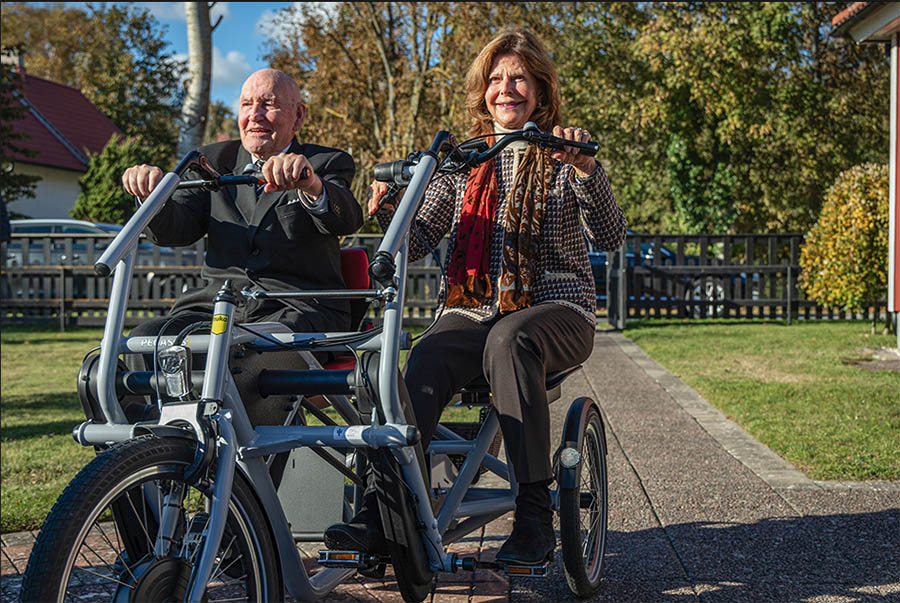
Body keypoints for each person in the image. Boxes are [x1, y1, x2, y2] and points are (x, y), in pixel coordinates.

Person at [325, 29, 626, 566]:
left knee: (510, 341)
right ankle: (382, 511)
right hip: (471, 308)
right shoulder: (463, 163)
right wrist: (392, 206)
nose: (505, 88)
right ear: (482, 92)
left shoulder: (563, 153)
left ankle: (534, 515)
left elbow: (610, 235)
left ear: (540, 90)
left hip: (557, 308)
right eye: (494, 80)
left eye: (518, 78)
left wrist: (586, 169)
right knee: (425, 357)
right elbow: (416, 238)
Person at [118, 68, 363, 421]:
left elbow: (346, 217)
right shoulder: (210, 162)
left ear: (299, 116)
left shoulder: (325, 163)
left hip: (293, 309)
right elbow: (179, 228)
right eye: (247, 104)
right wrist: (150, 199)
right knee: (147, 339)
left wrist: (311, 186)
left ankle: (250, 468)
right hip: (215, 309)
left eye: (269, 104)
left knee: (252, 356)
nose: (255, 115)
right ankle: (156, 455)